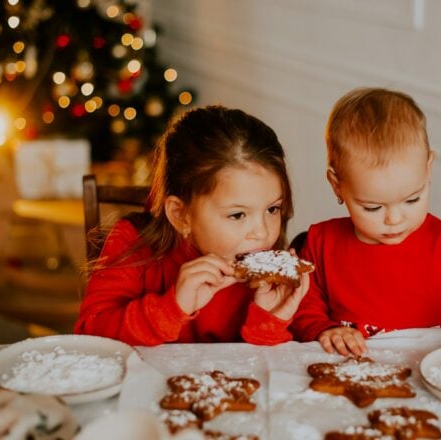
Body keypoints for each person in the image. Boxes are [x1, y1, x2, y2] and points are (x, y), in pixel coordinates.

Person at [289, 87, 441, 382]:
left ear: (428, 169)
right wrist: (324, 328)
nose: (395, 219)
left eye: (412, 199)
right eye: (372, 207)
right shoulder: (322, 241)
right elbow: (304, 300)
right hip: (357, 375)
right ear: (336, 185)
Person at [75, 106, 309, 346]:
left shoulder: (273, 275)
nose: (263, 232)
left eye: (272, 209)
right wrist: (173, 306)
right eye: (238, 215)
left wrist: (269, 320)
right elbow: (90, 338)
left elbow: (270, 371)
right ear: (180, 215)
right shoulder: (133, 241)